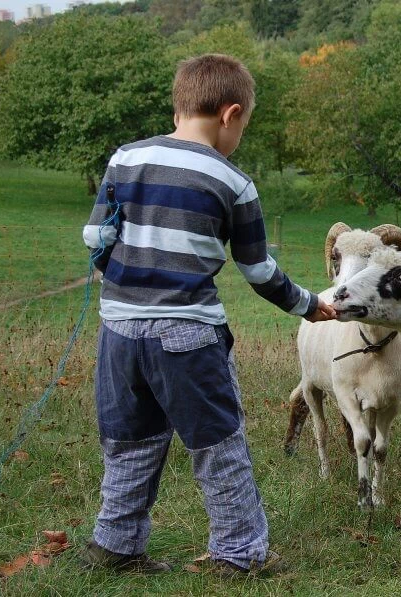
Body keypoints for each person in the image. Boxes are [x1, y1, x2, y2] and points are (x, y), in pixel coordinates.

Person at [80, 53, 335, 577]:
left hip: (119, 333)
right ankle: (240, 555)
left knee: (129, 438)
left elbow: (95, 238)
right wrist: (310, 306)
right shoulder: (234, 182)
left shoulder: (125, 158)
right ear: (230, 114)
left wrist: (118, 273)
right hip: (187, 336)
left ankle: (115, 543)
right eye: (242, 126)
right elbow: (258, 270)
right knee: (218, 445)